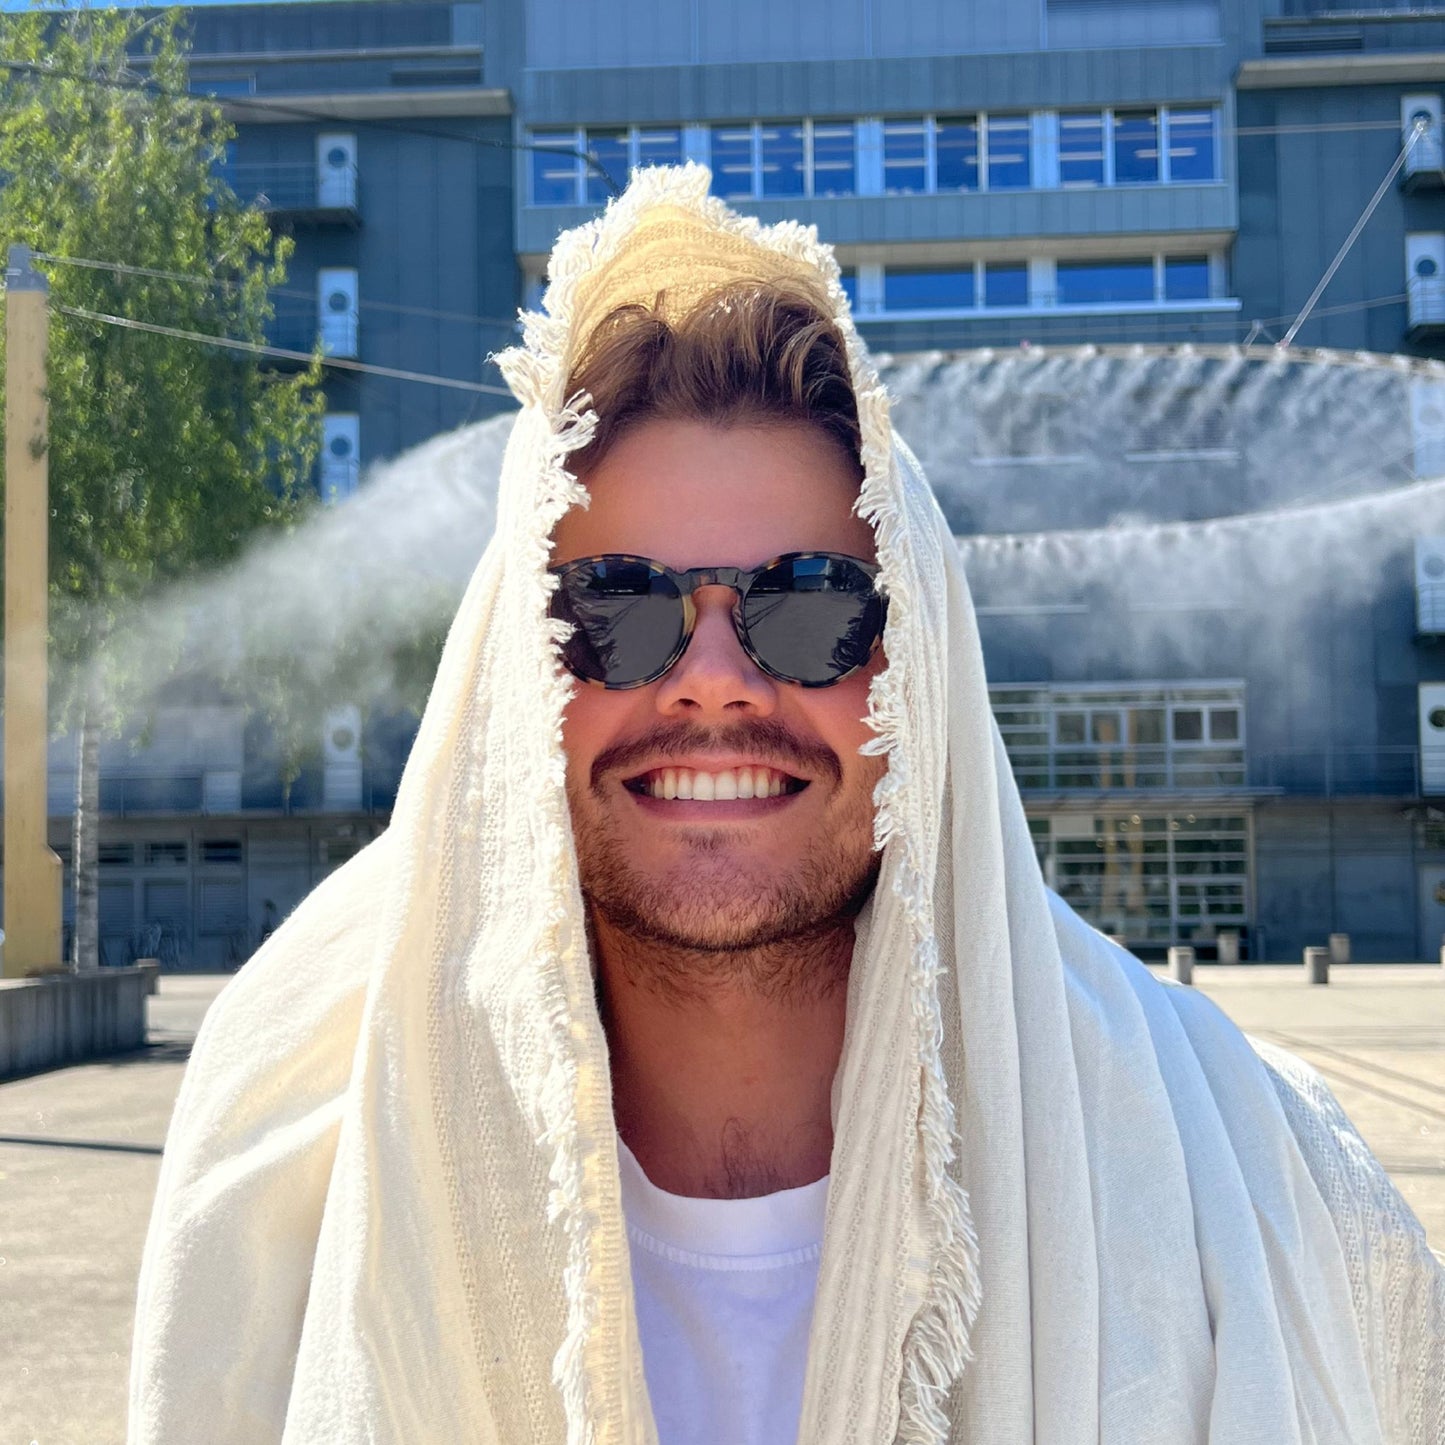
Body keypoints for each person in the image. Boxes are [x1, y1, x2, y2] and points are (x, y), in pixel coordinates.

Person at [129, 166, 1443, 1444]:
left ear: (918, 669)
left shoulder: (1254, 1188)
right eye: (614, 607)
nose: (712, 678)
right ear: (515, 676)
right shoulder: (283, 1174)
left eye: (810, 606)